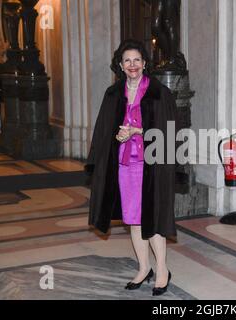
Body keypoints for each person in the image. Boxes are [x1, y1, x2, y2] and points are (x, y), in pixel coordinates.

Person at [85, 39, 177, 296]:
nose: (132, 65)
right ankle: (144, 267)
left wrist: (137, 130)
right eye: (127, 60)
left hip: (152, 166)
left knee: (153, 217)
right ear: (120, 65)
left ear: (145, 63)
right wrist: (116, 137)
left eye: (137, 60)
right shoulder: (113, 94)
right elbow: (104, 130)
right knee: (133, 219)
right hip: (125, 165)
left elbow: (168, 133)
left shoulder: (159, 93)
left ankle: (162, 270)